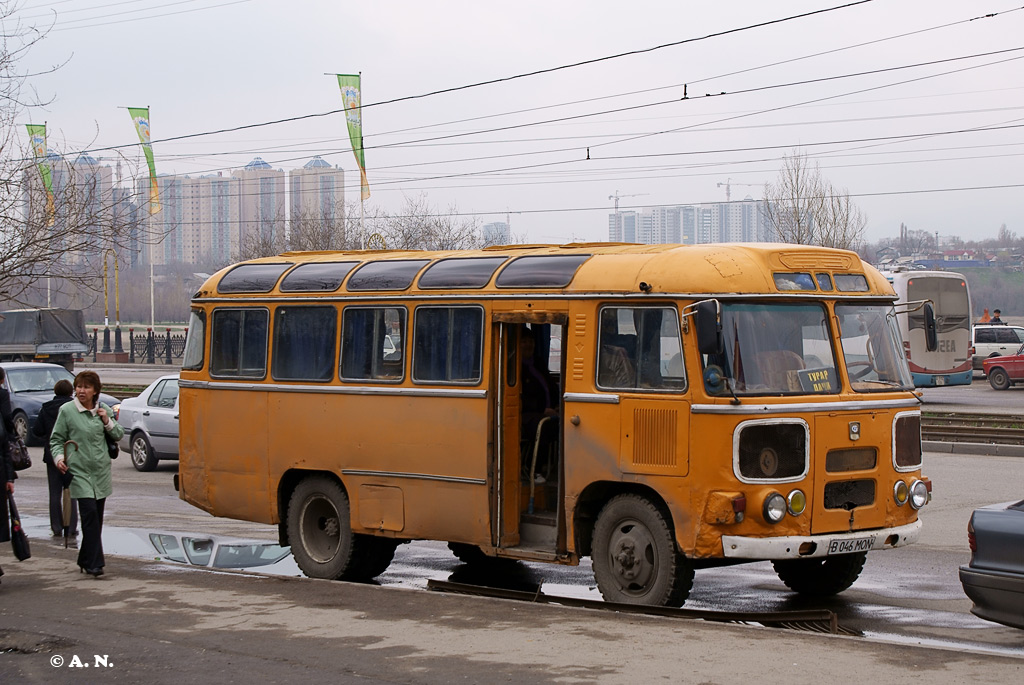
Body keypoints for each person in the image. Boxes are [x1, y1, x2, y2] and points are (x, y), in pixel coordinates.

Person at [51, 371, 124, 577]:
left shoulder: (104, 409)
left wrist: (106, 421)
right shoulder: (67, 410)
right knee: (89, 513)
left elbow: (118, 434)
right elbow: (56, 439)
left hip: (100, 471)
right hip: (79, 471)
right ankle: (95, 563)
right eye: (79, 386)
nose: (81, 391)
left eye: (86, 387)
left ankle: (84, 558)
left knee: (96, 519)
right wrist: (59, 459)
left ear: (95, 391)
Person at [32, 379, 78, 539]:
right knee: (72, 491)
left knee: (54, 492)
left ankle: (57, 527)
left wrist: (47, 438)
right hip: (72, 453)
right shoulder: (74, 408)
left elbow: (37, 430)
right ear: (71, 392)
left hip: (52, 455)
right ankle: (71, 527)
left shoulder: (46, 408)